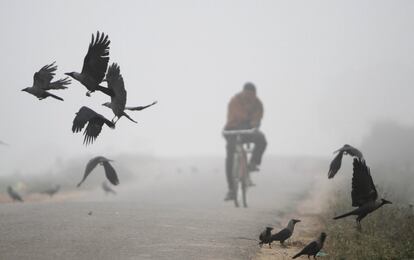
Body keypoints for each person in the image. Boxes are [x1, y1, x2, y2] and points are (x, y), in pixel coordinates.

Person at [223, 82, 267, 201]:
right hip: (233, 129)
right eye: (247, 95)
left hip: (249, 130)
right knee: (230, 156)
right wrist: (250, 119)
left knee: (262, 140)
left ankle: (253, 163)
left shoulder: (257, 103)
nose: (249, 98)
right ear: (243, 93)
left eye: (251, 95)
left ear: (254, 94)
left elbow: (258, 116)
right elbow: (237, 115)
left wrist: (255, 124)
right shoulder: (235, 100)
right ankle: (232, 189)